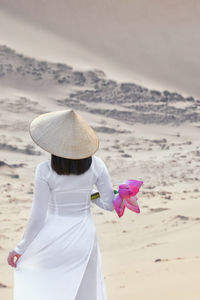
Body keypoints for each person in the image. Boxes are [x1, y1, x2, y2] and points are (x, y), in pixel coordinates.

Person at [7, 109, 115, 300]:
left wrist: (20, 249)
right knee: (85, 290)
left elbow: (38, 216)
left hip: (52, 236)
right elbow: (109, 204)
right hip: (84, 236)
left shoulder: (44, 170)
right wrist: (88, 195)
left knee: (48, 288)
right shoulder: (97, 165)